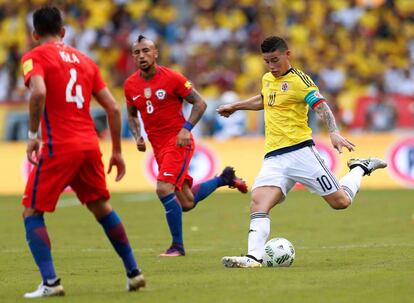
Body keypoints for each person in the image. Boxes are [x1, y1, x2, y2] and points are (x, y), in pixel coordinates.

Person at [217, 36, 387, 268]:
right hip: (274, 156)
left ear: (288, 54)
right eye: (266, 61)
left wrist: (334, 132)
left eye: (274, 60)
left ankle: (359, 167)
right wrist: (235, 107)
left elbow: (321, 106)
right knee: (258, 203)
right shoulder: (268, 79)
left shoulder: (300, 81)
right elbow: (266, 99)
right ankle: (254, 258)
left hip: (300, 153)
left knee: (340, 202)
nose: (271, 66)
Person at [21, 6, 145, 298]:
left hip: (59, 145)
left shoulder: (34, 56)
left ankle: (50, 282)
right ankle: (134, 272)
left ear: (35, 34)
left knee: (31, 211)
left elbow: (38, 92)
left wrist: (31, 136)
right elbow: (113, 108)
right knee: (101, 207)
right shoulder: (86, 61)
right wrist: (116, 151)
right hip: (90, 144)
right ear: (63, 32)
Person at [124, 35, 247, 257]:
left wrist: (186, 129)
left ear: (155, 53)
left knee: (163, 188)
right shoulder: (130, 84)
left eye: (145, 51)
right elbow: (132, 115)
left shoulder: (173, 77)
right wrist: (137, 136)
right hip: (158, 146)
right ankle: (224, 178)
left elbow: (200, 103)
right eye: (137, 52)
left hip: (179, 140)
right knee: (187, 202)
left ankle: (177, 247)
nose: (141, 56)